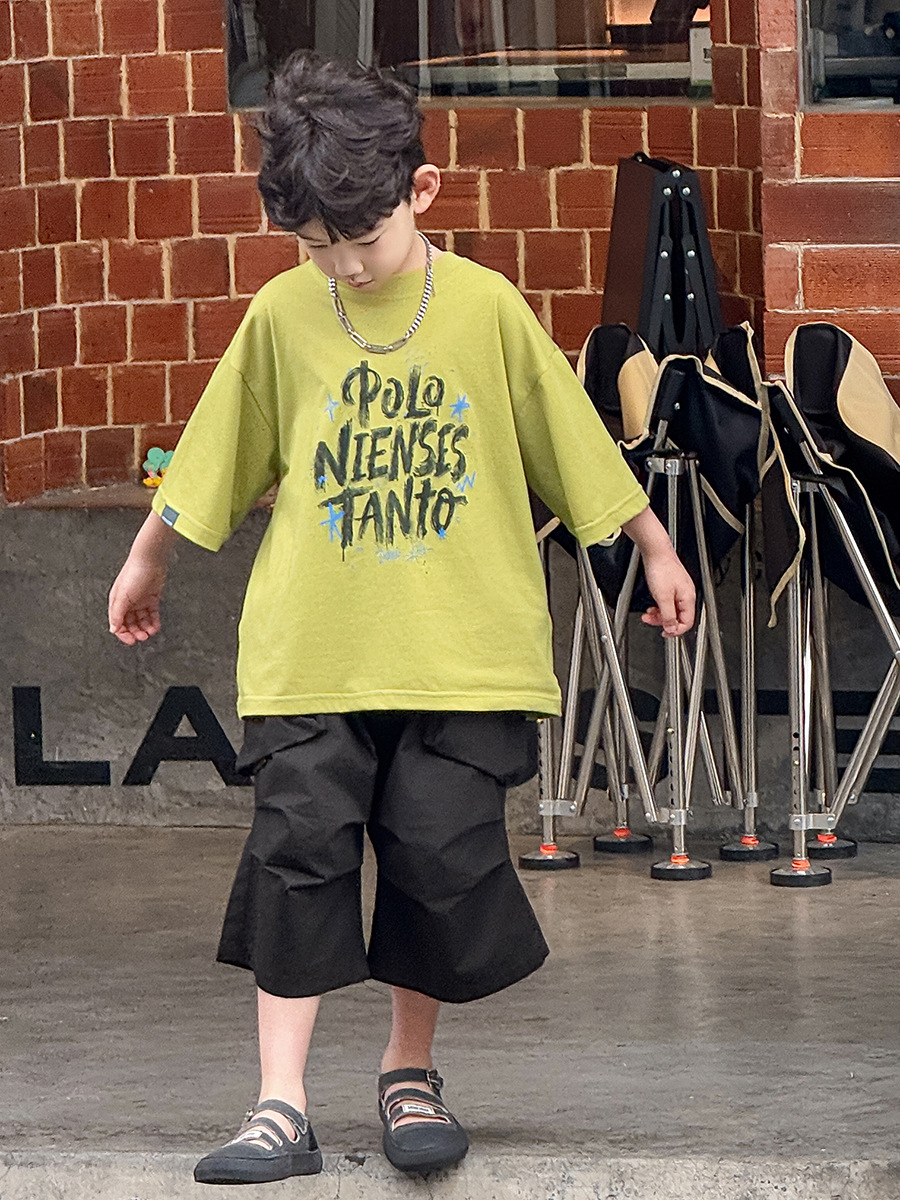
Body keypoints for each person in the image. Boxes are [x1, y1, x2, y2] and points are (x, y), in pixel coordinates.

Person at [107, 50, 694, 1187]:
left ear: (422, 191)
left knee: (436, 855)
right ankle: (279, 1105)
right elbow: (218, 449)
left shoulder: (485, 307)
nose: (342, 266)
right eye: (314, 247)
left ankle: (408, 1071)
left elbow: (570, 442)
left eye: (361, 241)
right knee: (296, 855)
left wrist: (656, 547)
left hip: (460, 652)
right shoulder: (285, 313)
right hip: (315, 652)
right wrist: (147, 557)